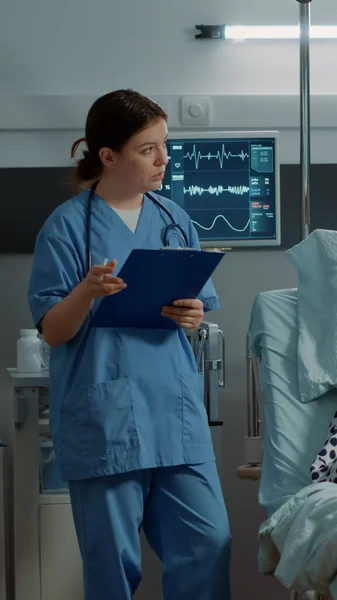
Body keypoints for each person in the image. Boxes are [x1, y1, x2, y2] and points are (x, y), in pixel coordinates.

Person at [28, 89, 231, 600]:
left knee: (208, 544)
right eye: (148, 149)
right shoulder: (68, 228)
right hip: (107, 419)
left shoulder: (173, 219)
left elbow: (194, 307)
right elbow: (53, 330)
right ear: (109, 156)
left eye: (165, 146)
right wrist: (87, 291)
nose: (164, 159)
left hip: (174, 414)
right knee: (112, 565)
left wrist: (192, 315)